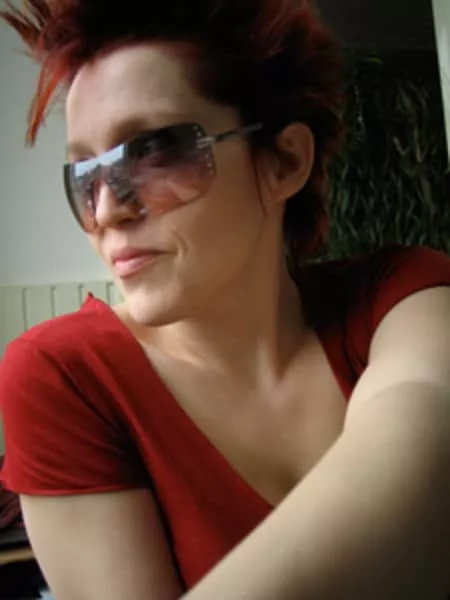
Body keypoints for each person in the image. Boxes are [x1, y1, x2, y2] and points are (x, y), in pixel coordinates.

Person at [0, 1, 449, 599]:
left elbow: (424, 435)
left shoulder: (400, 296)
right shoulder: (66, 376)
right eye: (85, 174)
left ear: (285, 161)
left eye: (156, 150)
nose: (107, 210)